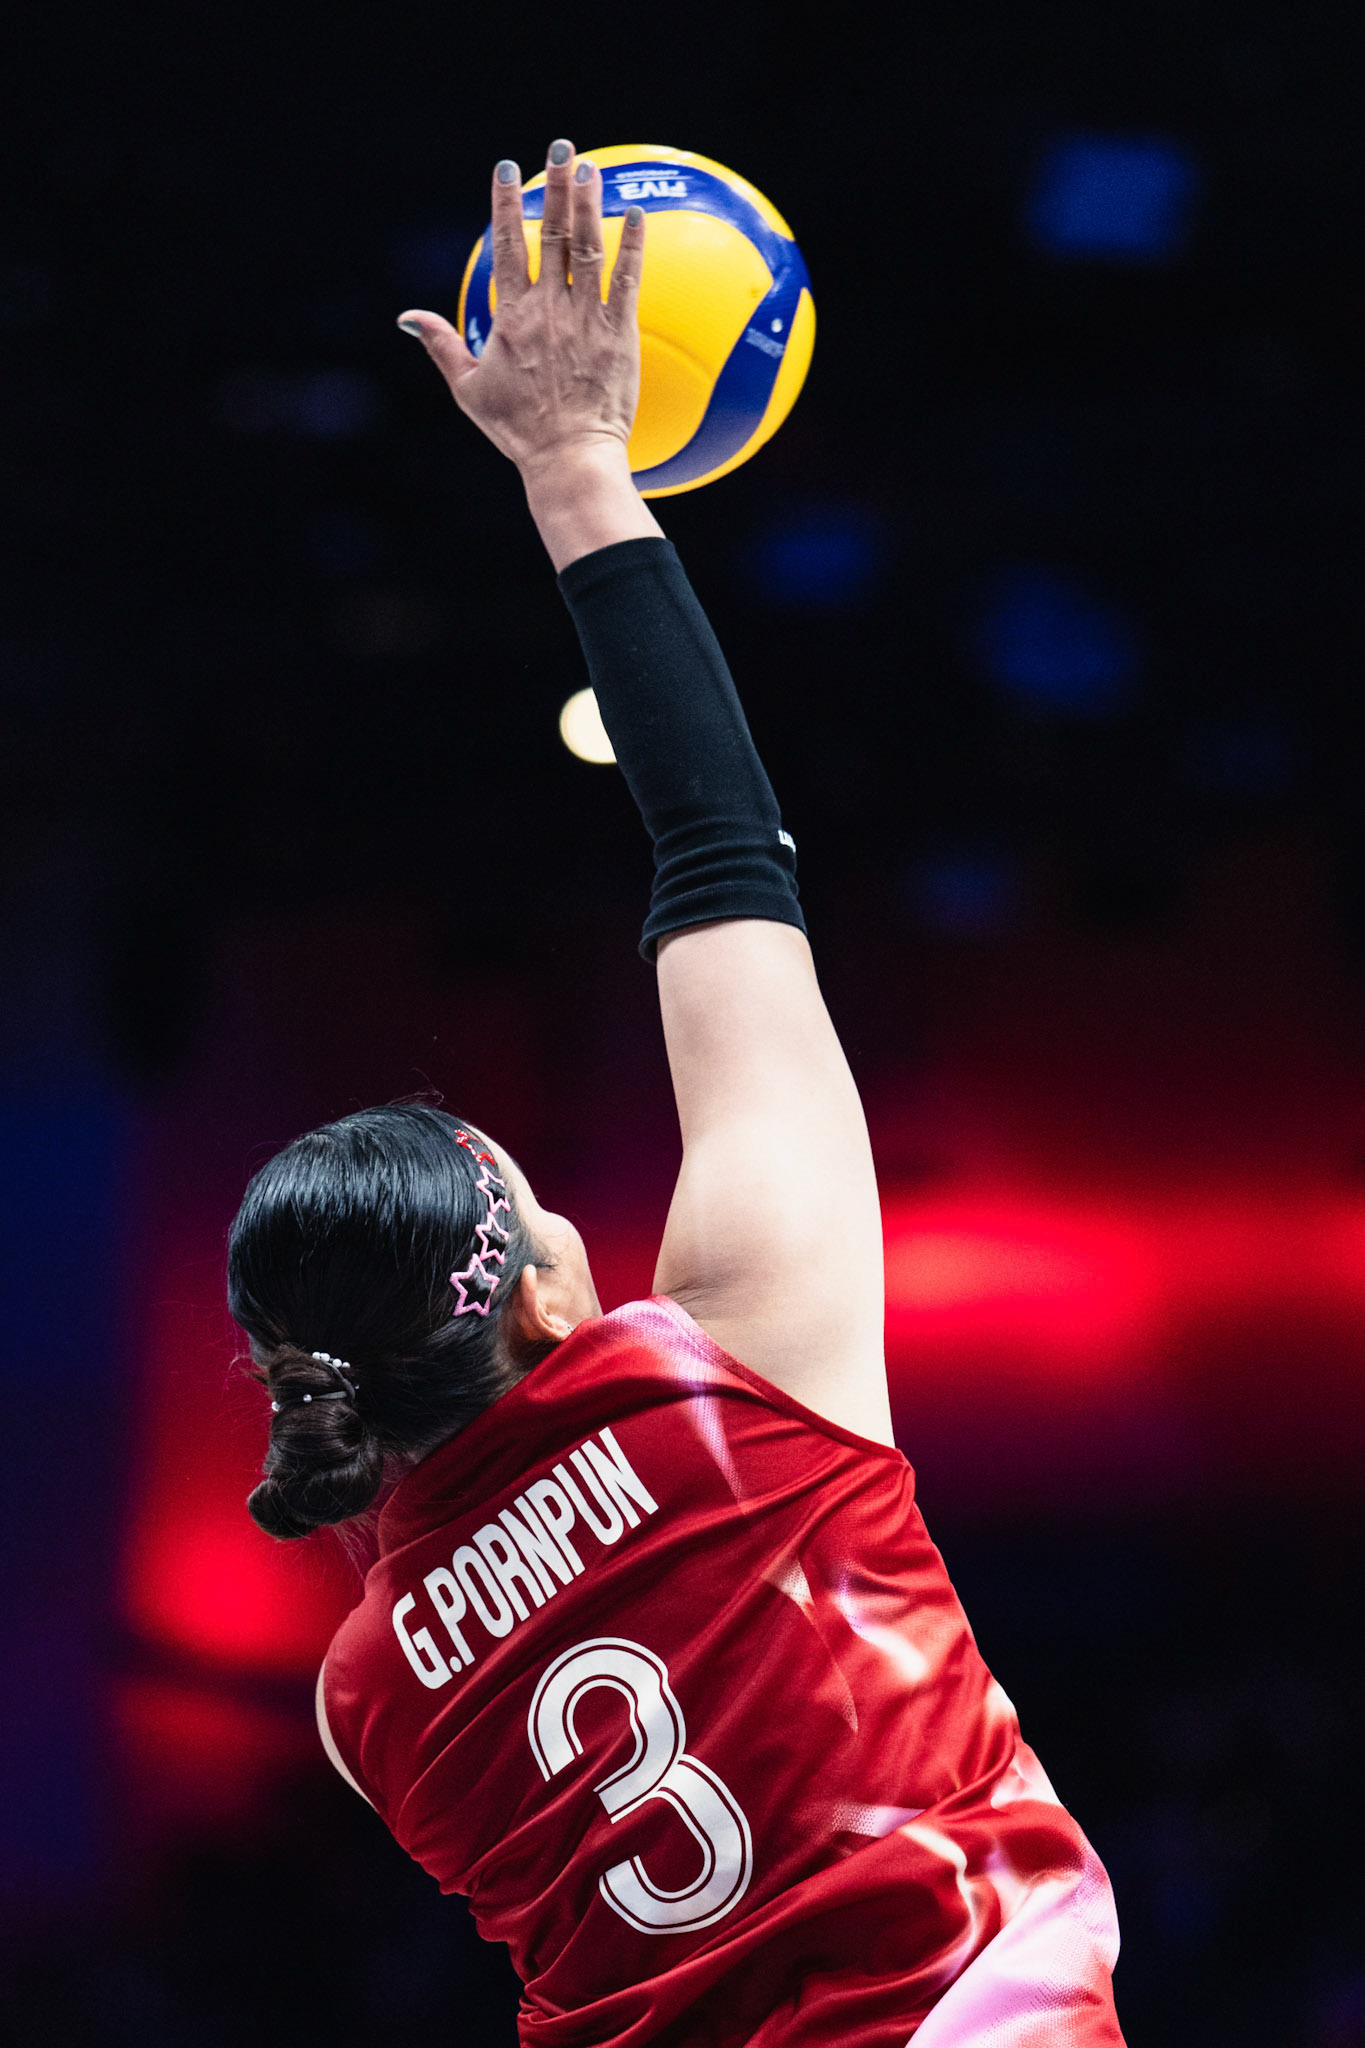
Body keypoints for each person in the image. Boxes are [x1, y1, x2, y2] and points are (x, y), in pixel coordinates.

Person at [226, 140, 1126, 2047]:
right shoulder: (735, 1385)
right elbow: (721, 846)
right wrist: (572, 465)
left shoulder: (365, 1699)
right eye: (547, 1202)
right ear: (546, 1290)